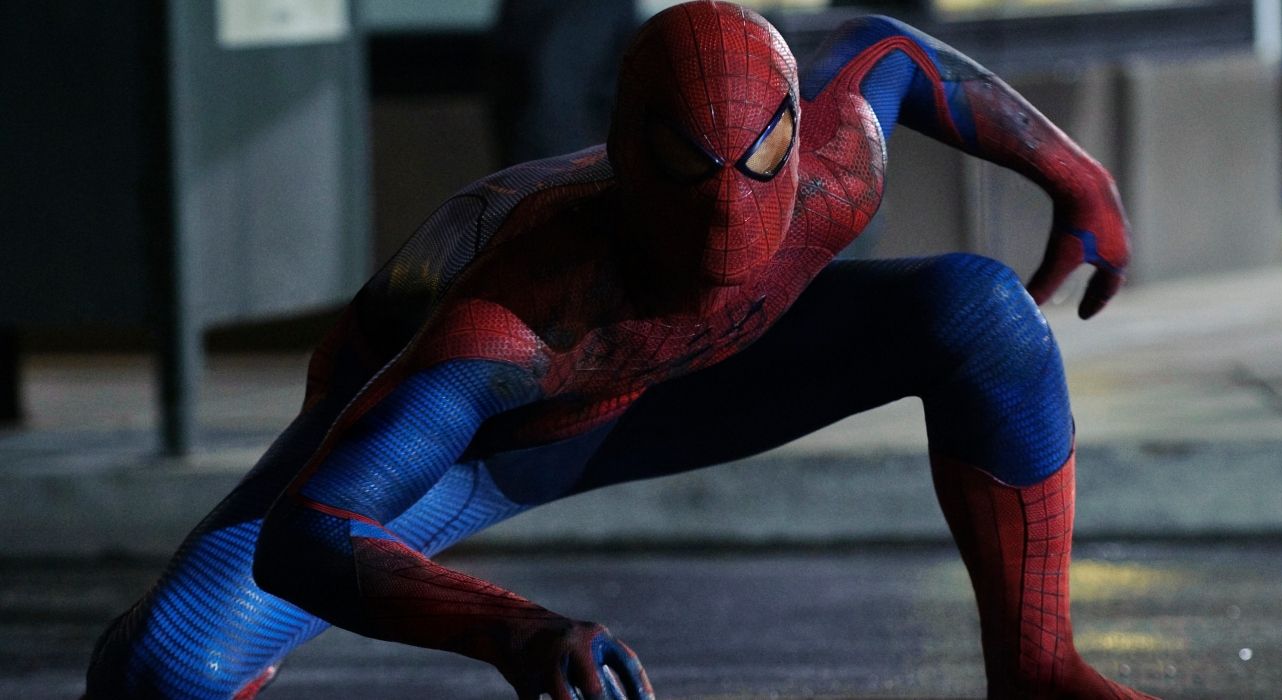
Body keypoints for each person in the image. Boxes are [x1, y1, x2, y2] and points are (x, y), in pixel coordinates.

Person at [85, 2, 1148, 698]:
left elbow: (894, 51)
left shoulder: (836, 169)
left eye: (752, 182)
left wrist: (1074, 175)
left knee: (979, 307)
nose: (723, 234)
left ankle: (1036, 664)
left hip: (685, 381)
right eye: (688, 213)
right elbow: (310, 532)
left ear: (788, 158)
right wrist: (514, 628)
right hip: (499, 438)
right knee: (158, 670)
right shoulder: (508, 320)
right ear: (630, 178)